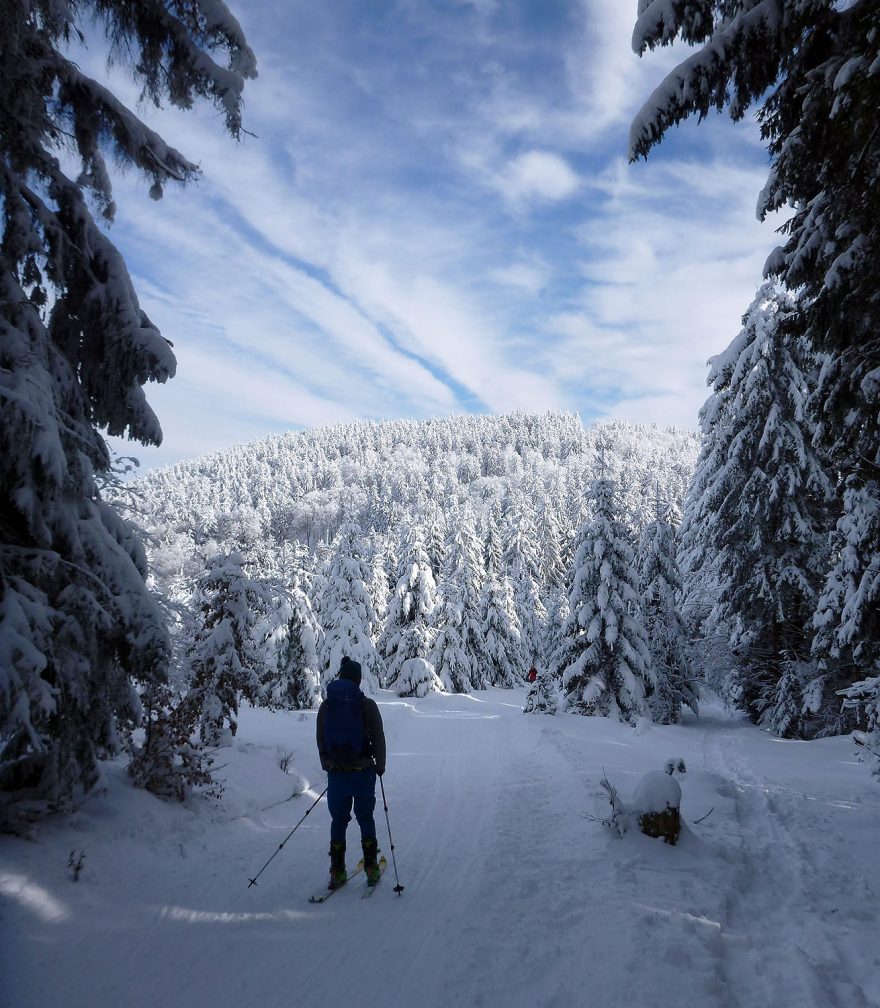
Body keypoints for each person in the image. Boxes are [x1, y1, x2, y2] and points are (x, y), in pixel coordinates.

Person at [316, 656, 386, 888]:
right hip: (363, 771)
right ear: (358, 680)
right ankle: (372, 869)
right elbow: (378, 737)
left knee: (339, 820)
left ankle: (337, 872)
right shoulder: (366, 705)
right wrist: (380, 765)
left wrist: (327, 763)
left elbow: (321, 739)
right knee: (365, 817)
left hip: (336, 774)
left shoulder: (327, 706)